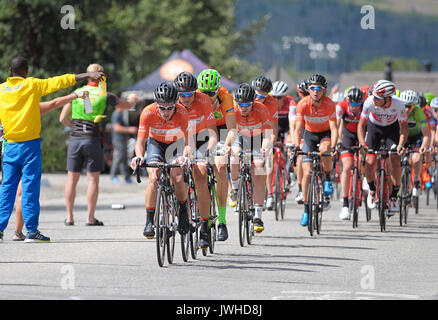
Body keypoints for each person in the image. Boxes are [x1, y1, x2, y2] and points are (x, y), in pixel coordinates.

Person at [0, 56, 104, 242]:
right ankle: (31, 231)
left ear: (10, 71)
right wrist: (86, 75)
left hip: (10, 145)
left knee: (7, 188)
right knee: (30, 188)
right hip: (29, 146)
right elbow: (59, 81)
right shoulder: (31, 85)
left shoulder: (1, 90)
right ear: (27, 70)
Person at [59, 63, 133, 227]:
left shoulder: (76, 93)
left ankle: (69, 217)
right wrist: (133, 100)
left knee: (72, 179)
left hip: (75, 139)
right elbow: (125, 106)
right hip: (92, 139)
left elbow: (62, 118)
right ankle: (90, 218)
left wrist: (74, 127)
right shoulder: (106, 95)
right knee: (93, 180)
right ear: (102, 76)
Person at [130, 81, 190, 239]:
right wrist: (139, 157)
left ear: (175, 104)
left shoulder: (182, 113)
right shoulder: (148, 112)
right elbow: (140, 142)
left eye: (169, 107)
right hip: (156, 144)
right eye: (162, 107)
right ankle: (149, 221)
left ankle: (183, 210)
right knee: (154, 177)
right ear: (156, 104)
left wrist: (184, 156)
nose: (165, 111)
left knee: (178, 178)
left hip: (177, 144)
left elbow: (188, 142)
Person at [174, 71, 218, 250]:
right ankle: (182, 210)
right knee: (175, 175)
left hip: (202, 138)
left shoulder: (203, 101)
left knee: (200, 174)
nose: (186, 98)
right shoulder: (173, 104)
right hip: (179, 139)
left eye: (190, 93)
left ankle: (205, 226)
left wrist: (209, 151)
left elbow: (213, 131)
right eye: (182, 94)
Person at [293, 74, 338, 227]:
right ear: (308, 90)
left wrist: (335, 146)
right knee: (306, 173)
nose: (315, 91)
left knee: (325, 148)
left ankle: (327, 179)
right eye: (312, 88)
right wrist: (295, 146)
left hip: (325, 134)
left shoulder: (330, 104)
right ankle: (306, 210)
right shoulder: (303, 104)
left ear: (324, 90)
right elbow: (298, 128)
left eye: (319, 88)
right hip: (309, 135)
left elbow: (334, 128)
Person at [357, 80, 408, 216]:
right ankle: (372, 190)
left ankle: (394, 196)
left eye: (377, 98)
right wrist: (363, 143)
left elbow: (403, 128)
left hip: (391, 130)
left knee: (395, 160)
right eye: (373, 96)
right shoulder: (369, 102)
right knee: (369, 160)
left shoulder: (399, 104)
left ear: (387, 98)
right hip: (374, 129)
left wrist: (401, 145)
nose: (374, 99)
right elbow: (361, 125)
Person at [197, 69, 237, 241]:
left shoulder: (225, 96)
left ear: (217, 89)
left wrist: (227, 146)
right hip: (201, 131)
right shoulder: (195, 97)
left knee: (220, 166)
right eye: (203, 92)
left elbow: (232, 129)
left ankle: (221, 221)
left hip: (221, 131)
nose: (207, 97)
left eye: (211, 93)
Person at [229, 83, 273, 233]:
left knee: (259, 166)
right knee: (234, 159)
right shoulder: (233, 109)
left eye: (247, 104)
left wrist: (265, 147)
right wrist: (227, 147)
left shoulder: (262, 109)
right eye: (241, 104)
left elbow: (268, 134)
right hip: (239, 137)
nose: (244, 107)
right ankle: (235, 189)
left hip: (257, 138)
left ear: (253, 102)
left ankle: (258, 216)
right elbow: (229, 131)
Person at [336, 87, 365, 220]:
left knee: (363, 163)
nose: (354, 107)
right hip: (348, 136)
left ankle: (364, 178)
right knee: (347, 167)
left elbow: (370, 127)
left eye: (357, 104)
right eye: (352, 104)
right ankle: (346, 205)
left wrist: (364, 142)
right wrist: (338, 141)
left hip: (362, 135)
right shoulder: (341, 106)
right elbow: (336, 126)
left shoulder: (365, 108)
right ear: (348, 101)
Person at [252, 76, 278, 210]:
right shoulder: (246, 97)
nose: (258, 99)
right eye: (256, 95)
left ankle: (269, 194)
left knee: (266, 160)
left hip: (264, 133)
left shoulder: (272, 103)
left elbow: (273, 131)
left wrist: (267, 146)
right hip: (247, 132)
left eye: (262, 96)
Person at [400, 90, 430, 196]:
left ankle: (416, 179)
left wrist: (423, 147)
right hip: (401, 137)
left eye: (410, 107)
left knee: (416, 159)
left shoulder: (418, 112)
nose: (407, 109)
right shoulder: (397, 110)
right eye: (405, 106)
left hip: (415, 137)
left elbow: (426, 134)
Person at [110, 94, 139, 184]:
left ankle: (126, 177)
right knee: (119, 158)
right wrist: (129, 129)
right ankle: (113, 176)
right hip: (118, 140)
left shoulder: (122, 114)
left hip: (122, 139)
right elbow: (116, 128)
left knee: (123, 158)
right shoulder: (116, 114)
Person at [290, 79, 309, 205]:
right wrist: (294, 142)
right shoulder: (295, 103)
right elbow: (293, 125)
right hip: (300, 130)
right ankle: (300, 186)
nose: (305, 97)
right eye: (302, 94)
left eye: (307, 94)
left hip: (314, 131)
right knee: (300, 158)